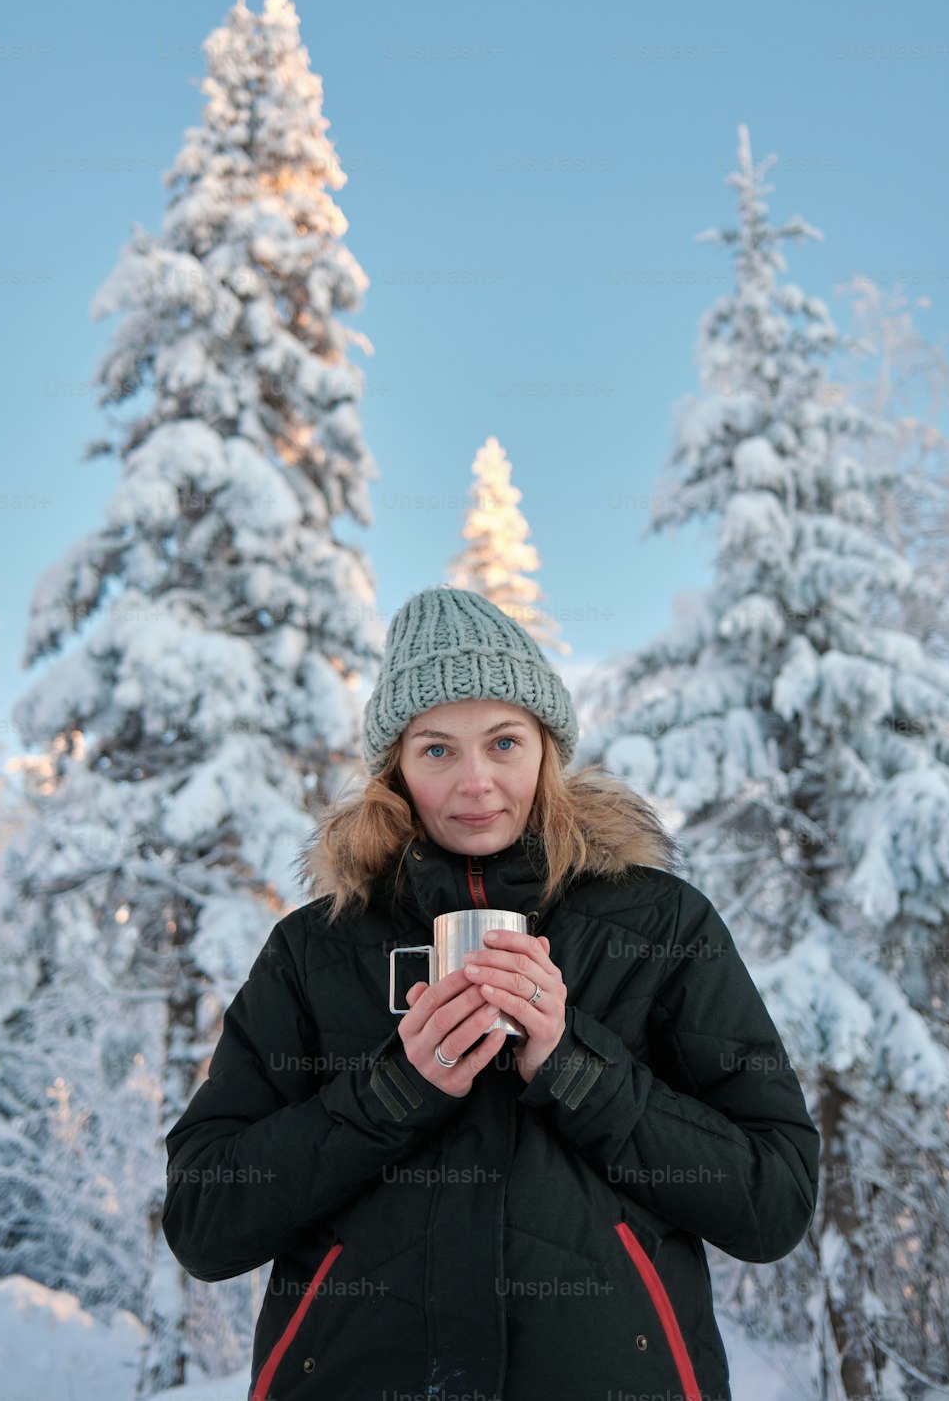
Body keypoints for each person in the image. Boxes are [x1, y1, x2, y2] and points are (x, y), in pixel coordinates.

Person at [162, 585, 820, 1401]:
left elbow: (774, 1199)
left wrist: (576, 1068)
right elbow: (202, 1222)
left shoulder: (656, 923)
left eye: (503, 742)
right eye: (437, 749)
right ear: (395, 766)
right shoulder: (315, 948)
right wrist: (393, 1091)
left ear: (546, 747)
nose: (475, 783)